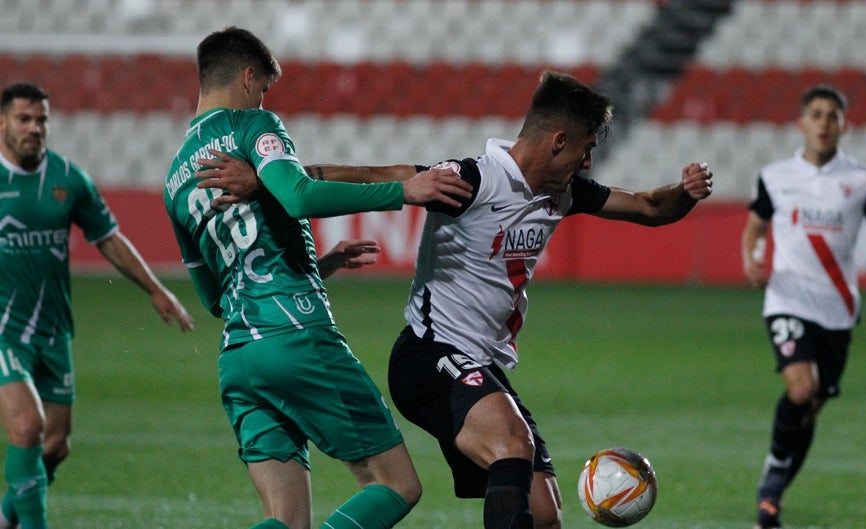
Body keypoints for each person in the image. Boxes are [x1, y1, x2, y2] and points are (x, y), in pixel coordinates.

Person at [198, 69, 715, 529]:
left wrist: (685, 193)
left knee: (543, 514)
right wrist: (267, 181)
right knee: (512, 443)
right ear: (559, 140)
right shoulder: (473, 180)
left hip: (482, 364)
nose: (589, 160)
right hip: (429, 355)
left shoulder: (563, 193)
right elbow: (378, 176)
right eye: (586, 147)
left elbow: (650, 207)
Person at [163, 27, 472, 529]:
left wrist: (319, 265)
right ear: (248, 78)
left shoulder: (174, 180)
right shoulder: (252, 125)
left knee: (284, 519)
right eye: (264, 88)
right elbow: (299, 196)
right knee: (396, 484)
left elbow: (214, 298)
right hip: (296, 337)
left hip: (239, 357)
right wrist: (404, 192)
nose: (264, 99)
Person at [0, 82, 195, 529]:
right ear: (2, 123)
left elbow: (107, 237)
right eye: (24, 119)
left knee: (56, 445)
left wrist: (155, 289)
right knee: (27, 428)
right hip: (5, 331)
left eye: (42, 120)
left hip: (53, 330)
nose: (35, 128)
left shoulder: (67, 179)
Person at [740, 84, 866, 529]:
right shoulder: (776, 176)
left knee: (811, 408)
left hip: (838, 309)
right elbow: (755, 227)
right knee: (800, 389)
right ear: (802, 123)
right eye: (816, 114)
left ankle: (774, 488)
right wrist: (752, 258)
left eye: (832, 115)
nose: (824, 122)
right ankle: (771, 485)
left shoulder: (862, 180)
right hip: (787, 298)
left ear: (844, 125)